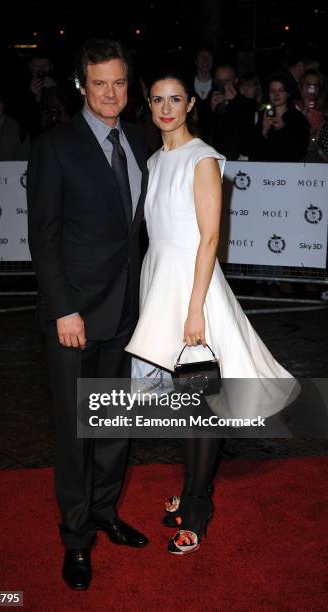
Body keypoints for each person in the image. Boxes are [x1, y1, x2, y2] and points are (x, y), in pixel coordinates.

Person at [125, 71, 296, 555]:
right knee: (186, 407)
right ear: (150, 103)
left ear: (191, 103)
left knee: (201, 406)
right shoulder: (155, 160)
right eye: (157, 99)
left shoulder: (202, 159)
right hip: (161, 283)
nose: (165, 108)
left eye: (175, 99)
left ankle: (197, 509)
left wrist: (195, 309)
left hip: (192, 291)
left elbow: (210, 238)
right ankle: (192, 492)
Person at [27, 38, 148, 591]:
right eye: (99, 83)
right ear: (81, 87)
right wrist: (64, 309)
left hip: (126, 311)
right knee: (76, 432)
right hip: (75, 318)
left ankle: (104, 511)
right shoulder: (56, 146)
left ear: (129, 84)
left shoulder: (141, 139)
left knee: (114, 422)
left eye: (119, 82)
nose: (109, 93)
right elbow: (43, 238)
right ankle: (76, 538)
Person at [250, 72, 310, 162]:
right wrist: (263, 131)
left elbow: (300, 151)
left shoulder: (297, 118)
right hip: (262, 171)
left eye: (280, 90)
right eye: (272, 91)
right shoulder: (262, 115)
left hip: (288, 171)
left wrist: (283, 129)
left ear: (288, 93)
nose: (276, 94)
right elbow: (250, 150)